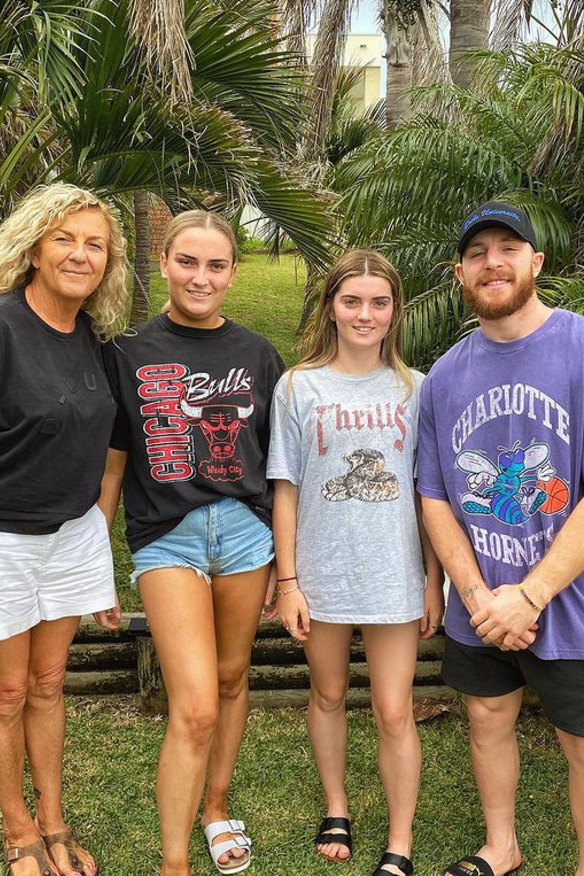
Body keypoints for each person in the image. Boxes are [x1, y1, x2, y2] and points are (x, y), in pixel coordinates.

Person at [99, 210, 284, 876]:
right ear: (165, 260)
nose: (200, 277)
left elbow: (279, 463)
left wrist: (282, 563)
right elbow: (115, 462)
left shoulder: (259, 354)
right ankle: (173, 861)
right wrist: (99, 558)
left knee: (233, 680)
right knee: (197, 704)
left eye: (215, 265)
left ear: (233, 271)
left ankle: (217, 804)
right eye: (188, 262)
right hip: (166, 539)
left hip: (244, 534)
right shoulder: (127, 353)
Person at [417, 201, 584, 876]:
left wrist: (532, 596)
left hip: (569, 600)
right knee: (487, 715)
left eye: (508, 247)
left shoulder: (578, 346)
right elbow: (434, 495)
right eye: (479, 252)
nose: (493, 261)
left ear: (535, 263)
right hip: (482, 603)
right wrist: (482, 596)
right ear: (460, 272)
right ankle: (501, 846)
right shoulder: (445, 376)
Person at [267, 250, 444, 876]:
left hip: (394, 573)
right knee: (330, 691)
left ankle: (399, 842)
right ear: (331, 308)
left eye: (379, 302)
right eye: (352, 301)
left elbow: (430, 494)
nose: (365, 314)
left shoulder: (419, 389)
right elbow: (285, 487)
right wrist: (287, 580)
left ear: (394, 311)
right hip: (322, 573)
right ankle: (336, 804)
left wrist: (433, 580)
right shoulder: (298, 386)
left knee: (395, 709)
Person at [0, 183, 129, 876]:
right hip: (4, 540)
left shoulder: (95, 341)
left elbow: (109, 453)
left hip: (72, 534)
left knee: (49, 683)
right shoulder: (3, 326)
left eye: (94, 244)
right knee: (8, 692)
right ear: (33, 247)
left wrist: (97, 545)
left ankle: (53, 820)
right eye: (65, 239)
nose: (80, 254)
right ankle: (17, 829)